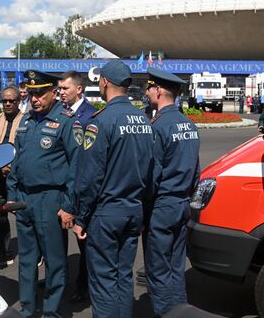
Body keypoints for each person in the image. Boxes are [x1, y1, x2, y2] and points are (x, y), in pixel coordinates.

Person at [73, 60, 154, 318]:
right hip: (134, 210)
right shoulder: (143, 119)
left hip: (106, 213)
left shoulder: (101, 121)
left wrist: (81, 217)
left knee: (103, 283)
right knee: (123, 277)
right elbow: (152, 168)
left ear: (105, 82)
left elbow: (90, 177)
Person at [7, 70, 82, 318]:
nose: (35, 99)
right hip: (24, 200)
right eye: (31, 93)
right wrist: (12, 194)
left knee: (55, 260)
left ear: (53, 93)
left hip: (50, 199)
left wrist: (70, 206)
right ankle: (28, 308)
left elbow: (76, 168)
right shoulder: (27, 121)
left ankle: (51, 311)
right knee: (27, 260)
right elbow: (16, 161)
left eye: (40, 93)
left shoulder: (67, 121)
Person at [143, 67, 200, 317]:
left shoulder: (158, 127)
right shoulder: (190, 125)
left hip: (161, 206)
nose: (146, 93)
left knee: (157, 270)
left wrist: (144, 211)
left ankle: (165, 313)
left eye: (148, 88)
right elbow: (196, 172)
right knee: (176, 268)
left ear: (158, 90)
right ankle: (180, 312)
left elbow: (151, 176)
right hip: (182, 203)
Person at [57, 70, 96, 303]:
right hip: (61, 191)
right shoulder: (60, 113)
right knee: (57, 242)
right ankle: (60, 279)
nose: (61, 93)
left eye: (65, 89)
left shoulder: (90, 115)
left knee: (85, 245)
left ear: (79, 89)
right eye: (59, 89)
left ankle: (84, 285)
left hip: (81, 193)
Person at [0, 86, 23, 267]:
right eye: (5, 101)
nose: (8, 104)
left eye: (12, 101)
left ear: (19, 102)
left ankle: (35, 253)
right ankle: (4, 252)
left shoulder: (26, 121)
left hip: (18, 178)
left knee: (23, 216)